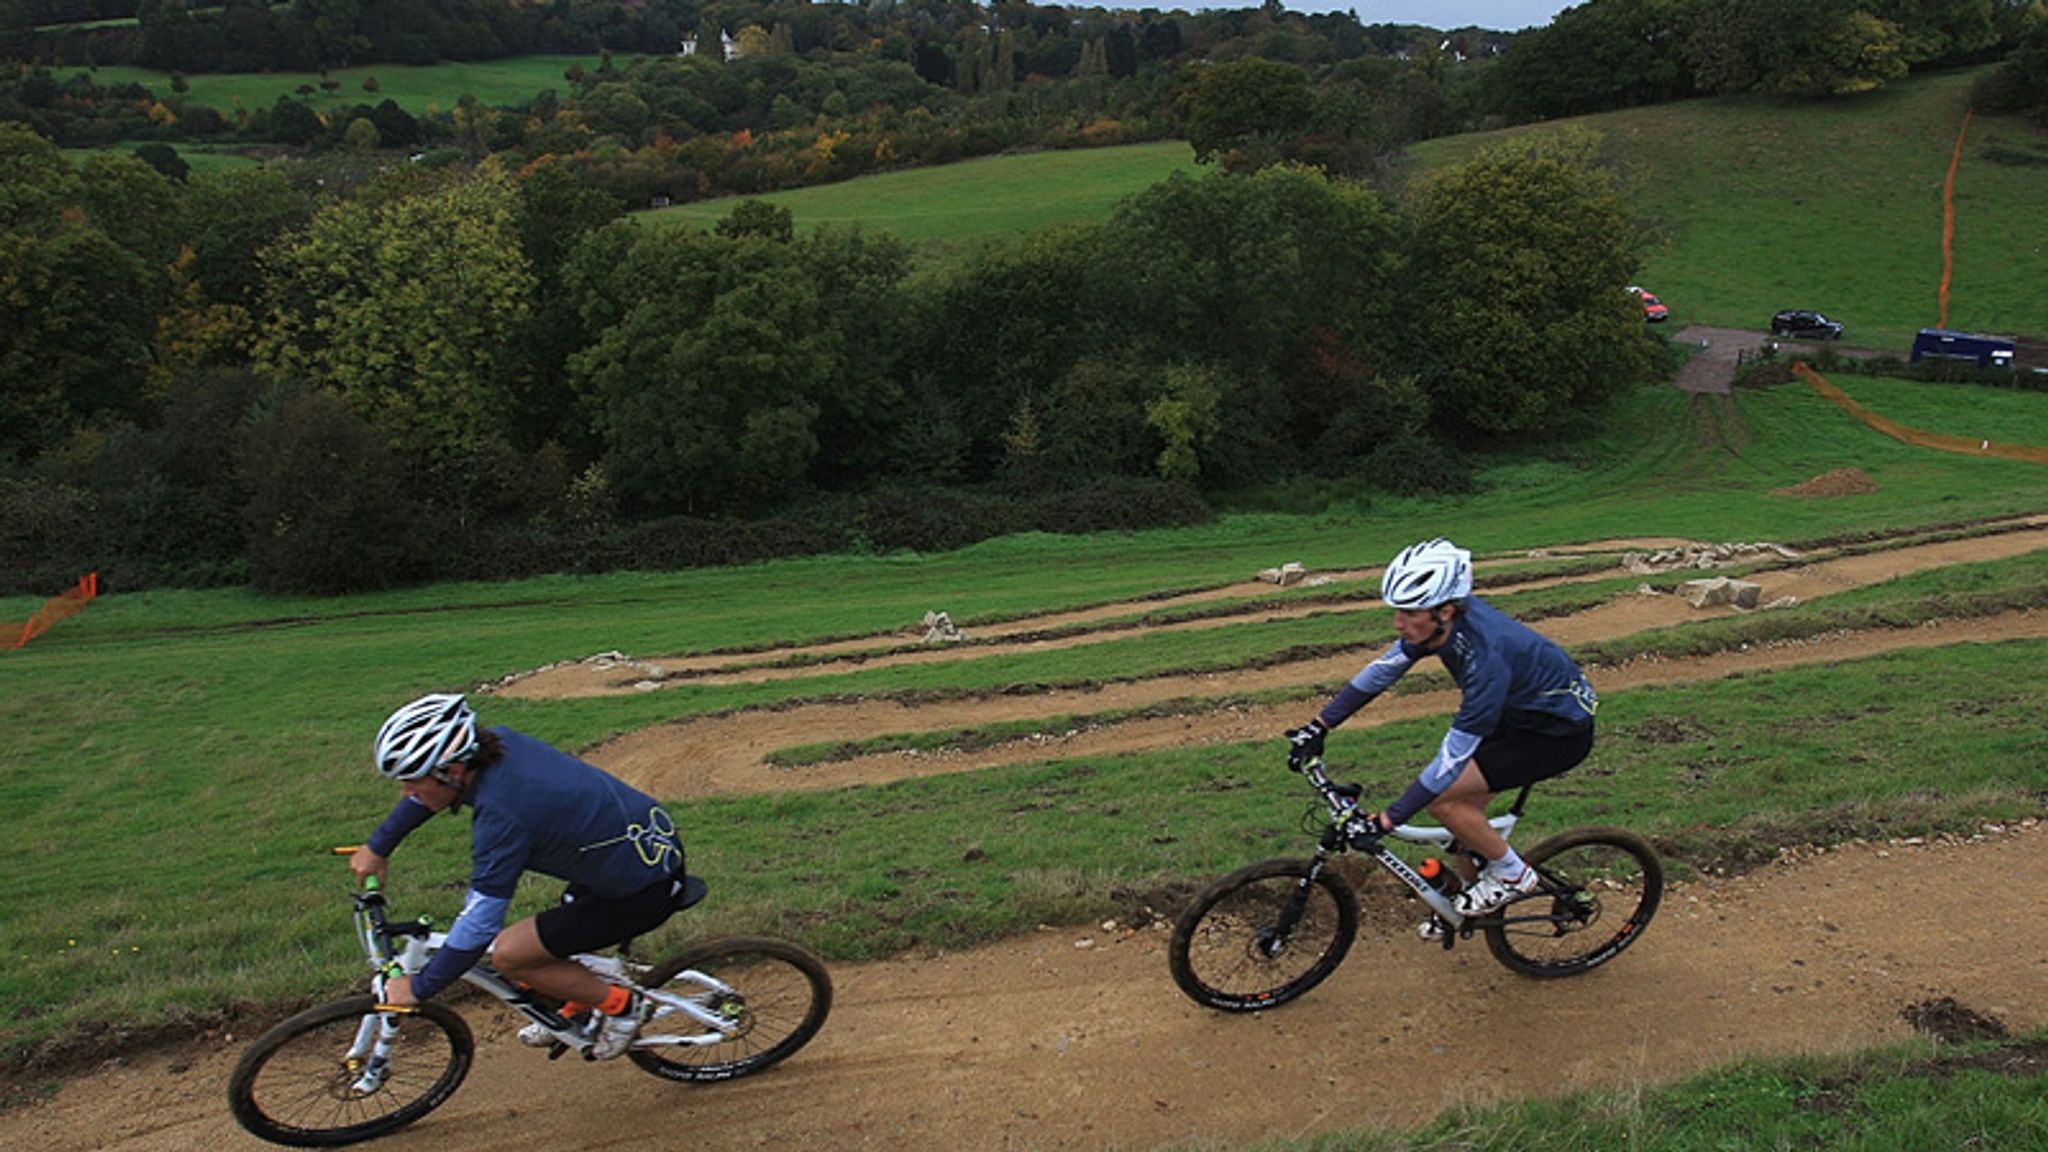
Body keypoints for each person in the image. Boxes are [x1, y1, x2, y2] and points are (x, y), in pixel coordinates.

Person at [1285, 538, 1598, 933]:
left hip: (1555, 735)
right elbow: (1383, 670)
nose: (1399, 623)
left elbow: (1451, 760)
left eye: (1409, 612)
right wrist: (1320, 725)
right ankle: (1469, 900)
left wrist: (1384, 821)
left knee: (1446, 802)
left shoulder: (1486, 659)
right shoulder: (1438, 628)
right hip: (1519, 717)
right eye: (1398, 610)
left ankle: (1514, 875)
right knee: (1464, 812)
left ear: (1445, 610)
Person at [350, 692, 686, 1059]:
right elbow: (431, 794)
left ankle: (623, 1007)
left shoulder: (504, 818)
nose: (407, 792)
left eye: (412, 780)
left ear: (454, 770)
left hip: (642, 887)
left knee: (512, 956)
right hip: (637, 844)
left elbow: (480, 923)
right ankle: (579, 999)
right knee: (553, 937)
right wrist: (379, 846)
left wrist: (420, 987)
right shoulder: (498, 745)